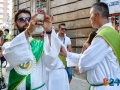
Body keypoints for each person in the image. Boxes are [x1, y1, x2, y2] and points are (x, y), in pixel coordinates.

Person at [2, 9, 69, 90]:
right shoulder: (8, 45)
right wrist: (28, 31)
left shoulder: (41, 45)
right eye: (22, 20)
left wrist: (49, 31)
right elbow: (11, 54)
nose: (26, 22)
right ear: (15, 24)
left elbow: (52, 57)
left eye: (28, 19)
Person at [60, 2, 120, 90]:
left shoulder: (103, 36)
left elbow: (86, 61)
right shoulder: (113, 33)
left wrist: (78, 64)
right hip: (109, 84)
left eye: (90, 15)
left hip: (105, 87)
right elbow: (93, 58)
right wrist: (67, 54)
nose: (89, 19)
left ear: (96, 15)